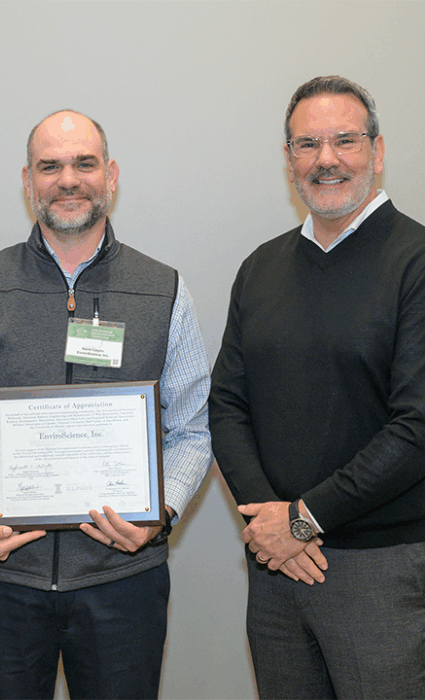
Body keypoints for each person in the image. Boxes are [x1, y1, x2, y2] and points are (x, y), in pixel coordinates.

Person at [0, 110, 213, 700]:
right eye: (50, 166)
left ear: (112, 175)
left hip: (122, 582)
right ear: (27, 181)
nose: (68, 179)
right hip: (0, 582)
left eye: (84, 163)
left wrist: (161, 516)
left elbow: (193, 428)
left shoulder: (164, 288)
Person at [210, 75, 425, 698]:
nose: (325, 159)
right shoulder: (262, 267)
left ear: (377, 152)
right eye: (307, 144)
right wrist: (268, 524)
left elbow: (416, 427)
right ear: (288, 161)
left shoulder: (415, 261)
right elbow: (226, 404)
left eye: (345, 141)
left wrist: (301, 522)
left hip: (381, 573)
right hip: (275, 568)